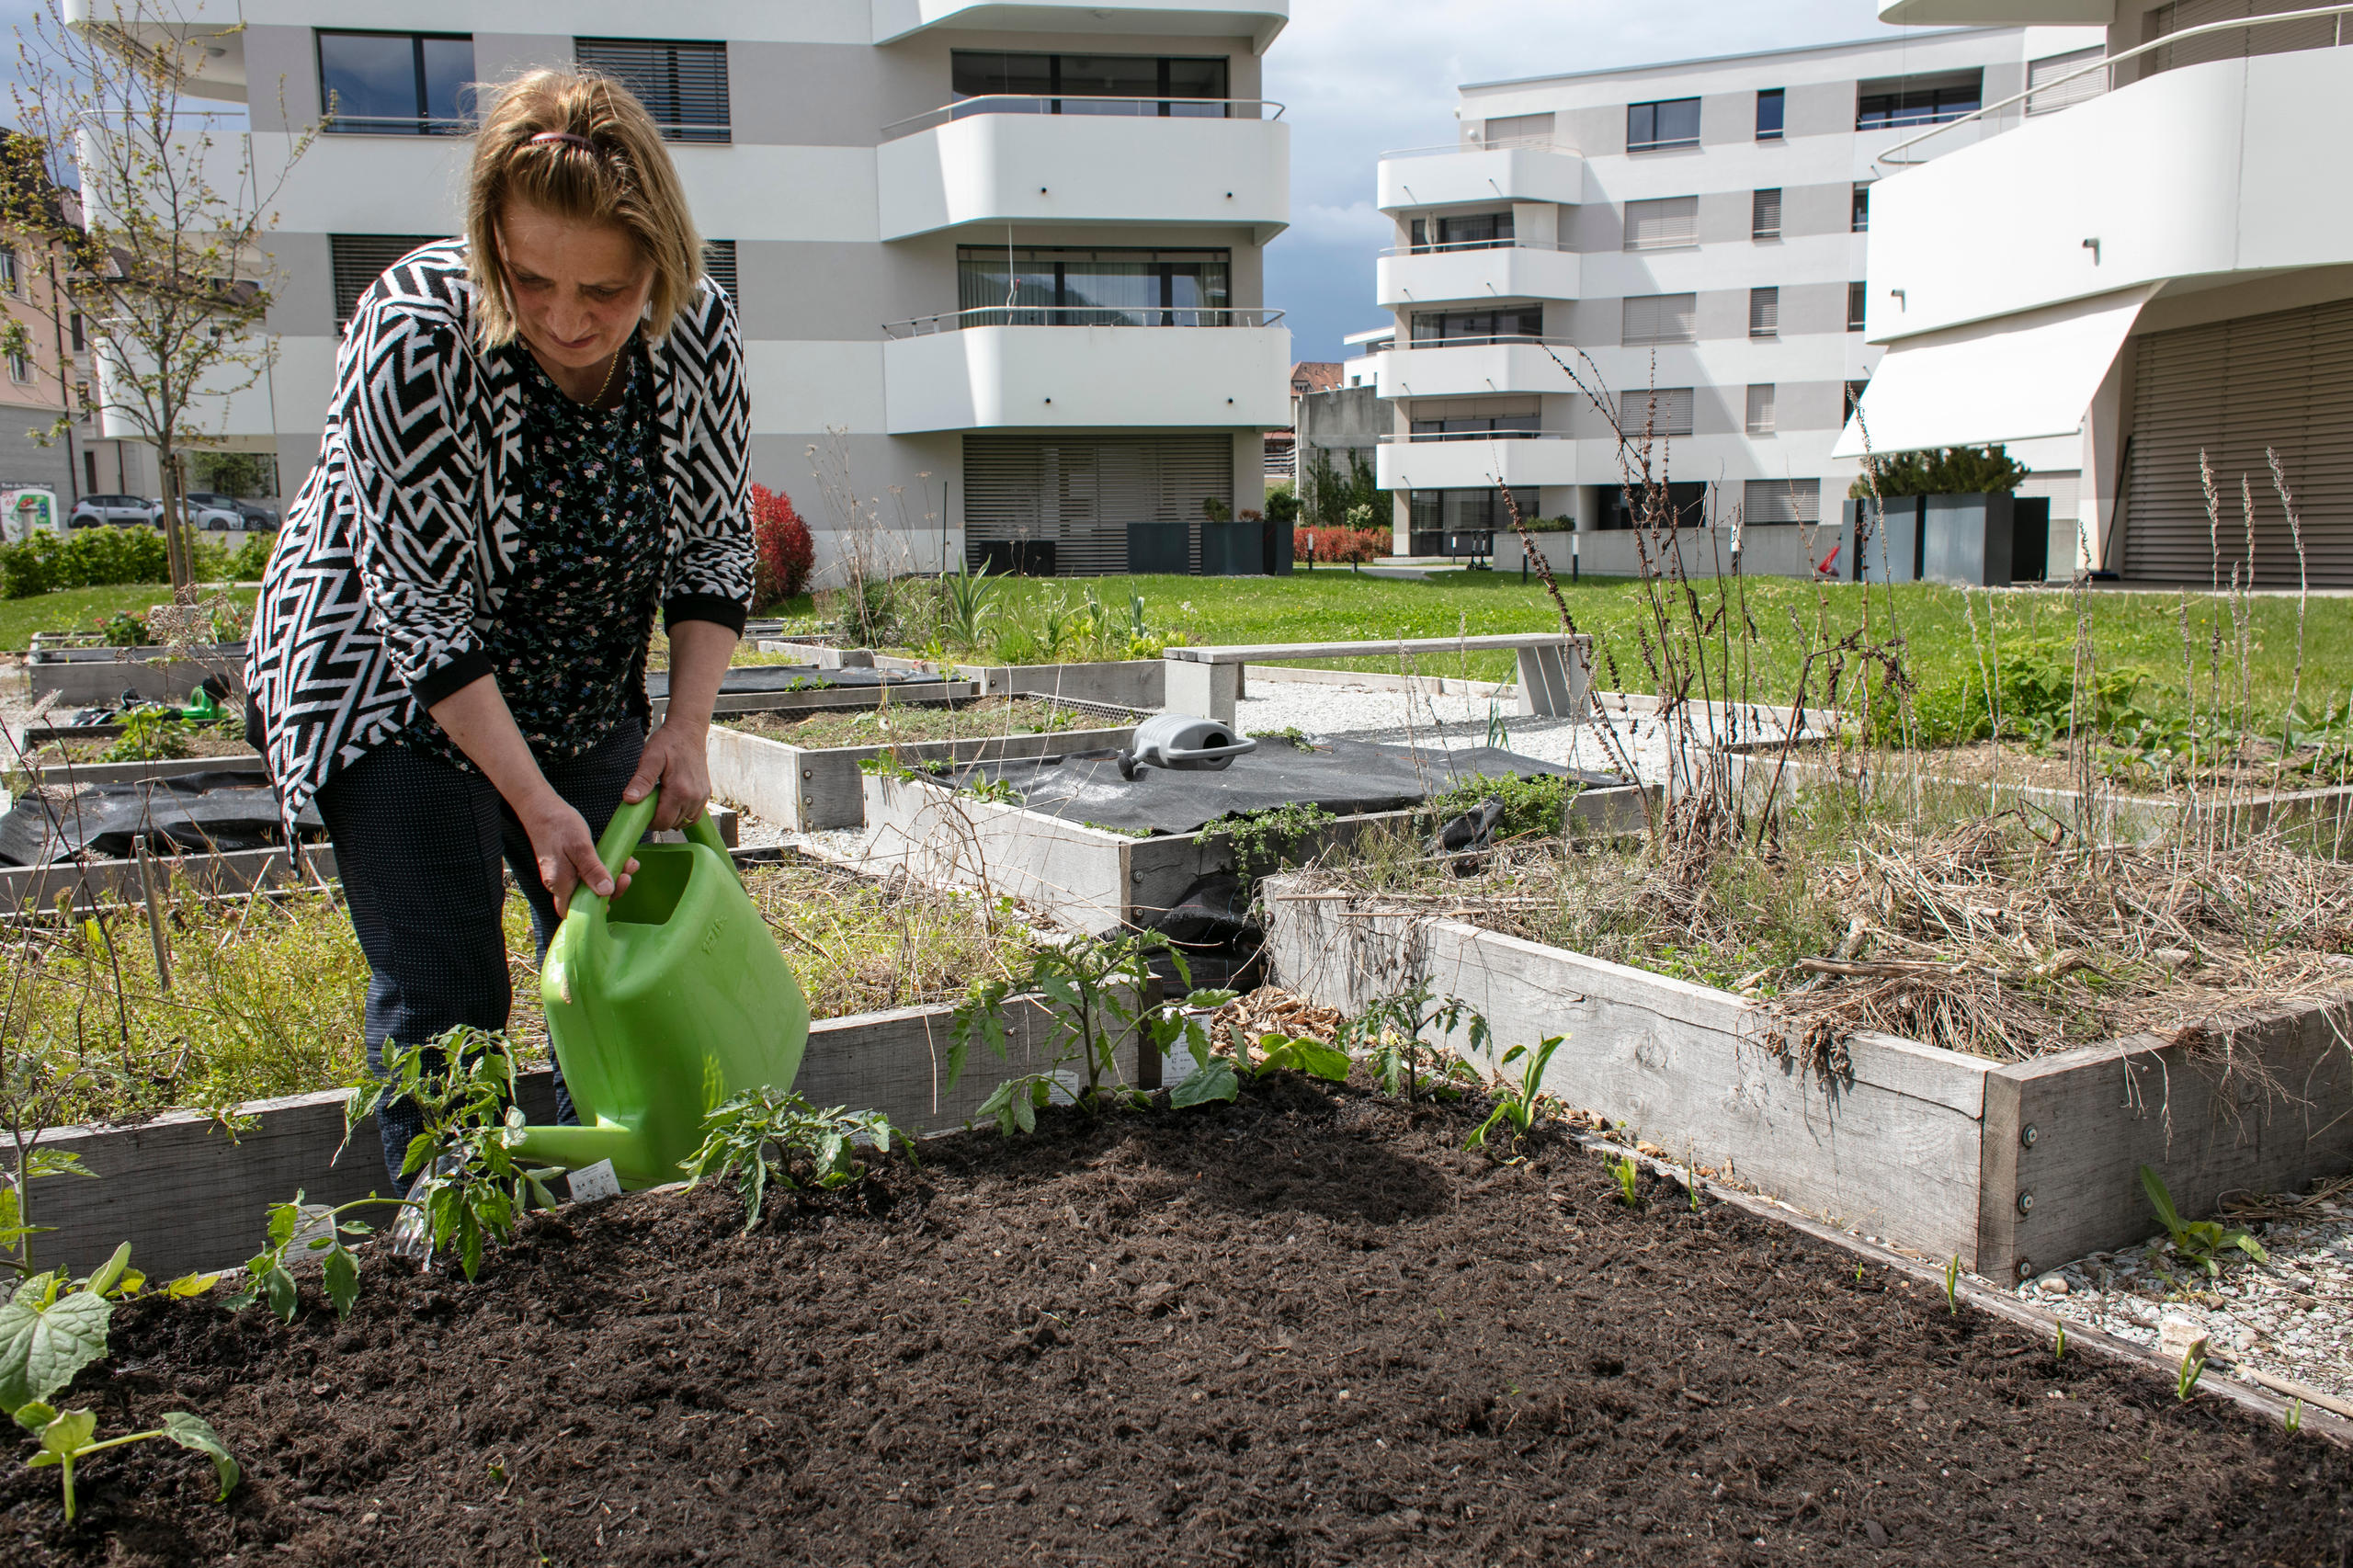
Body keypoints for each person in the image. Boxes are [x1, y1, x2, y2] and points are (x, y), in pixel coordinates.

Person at [244, 68, 750, 1186]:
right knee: (450, 988)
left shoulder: (697, 333)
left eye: (605, 290)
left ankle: (618, 1204)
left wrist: (685, 729)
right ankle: (459, 1235)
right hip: (384, 679)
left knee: (620, 936)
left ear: (659, 264)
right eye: (530, 280)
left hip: (572, 680)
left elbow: (716, 544)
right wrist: (531, 799)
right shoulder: (415, 330)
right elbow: (418, 607)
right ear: (489, 248)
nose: (566, 320)